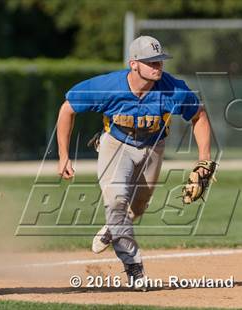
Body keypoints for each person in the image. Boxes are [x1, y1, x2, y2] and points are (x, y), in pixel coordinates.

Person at [56, 36, 212, 291]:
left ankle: (113, 227)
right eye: (151, 62)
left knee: (137, 208)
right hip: (116, 145)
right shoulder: (107, 86)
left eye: (160, 61)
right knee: (117, 200)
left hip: (153, 147)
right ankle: (134, 267)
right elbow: (67, 109)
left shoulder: (173, 89)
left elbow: (199, 115)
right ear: (134, 64)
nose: (158, 66)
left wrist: (204, 158)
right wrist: (63, 155)